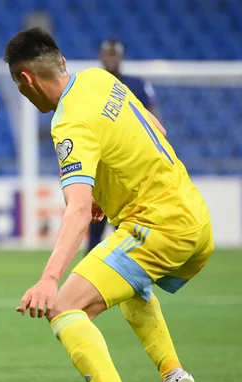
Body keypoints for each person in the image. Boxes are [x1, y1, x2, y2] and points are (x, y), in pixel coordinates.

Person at [4, 28, 211, 382]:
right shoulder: (100, 80)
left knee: (63, 307)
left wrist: (48, 279)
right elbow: (156, 129)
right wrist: (106, 192)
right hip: (194, 218)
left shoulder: (67, 122)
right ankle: (173, 375)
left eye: (18, 86)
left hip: (155, 225)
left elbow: (77, 211)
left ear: (25, 80)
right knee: (130, 285)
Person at [87, 39, 159, 254]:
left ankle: (123, 278)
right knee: (95, 228)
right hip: (101, 168)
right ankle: (89, 277)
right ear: (100, 56)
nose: (110, 58)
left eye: (114, 54)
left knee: (126, 228)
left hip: (129, 169)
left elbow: (154, 121)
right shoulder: (90, 85)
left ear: (122, 57)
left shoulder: (137, 85)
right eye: (107, 53)